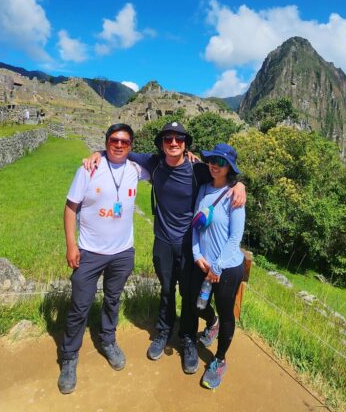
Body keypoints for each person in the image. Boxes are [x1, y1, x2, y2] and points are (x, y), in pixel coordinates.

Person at [84, 121, 246, 375]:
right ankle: (163, 332)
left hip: (190, 244)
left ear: (185, 144)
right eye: (168, 138)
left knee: (189, 295)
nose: (173, 143)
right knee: (167, 290)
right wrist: (98, 153)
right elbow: (121, 150)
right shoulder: (154, 162)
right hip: (163, 241)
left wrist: (240, 185)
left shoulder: (198, 169)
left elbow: (224, 177)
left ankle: (188, 338)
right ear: (161, 144)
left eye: (179, 139)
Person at [58, 123, 149, 395]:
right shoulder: (89, 169)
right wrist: (71, 245)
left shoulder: (136, 170)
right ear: (106, 142)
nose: (119, 145)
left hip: (122, 252)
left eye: (124, 142)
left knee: (113, 299)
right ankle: (69, 356)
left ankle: (108, 340)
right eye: (114, 141)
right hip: (89, 252)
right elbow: (70, 208)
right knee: (80, 306)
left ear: (131, 146)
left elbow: (168, 164)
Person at [191, 143, 246, 389]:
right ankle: (211, 323)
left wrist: (218, 266)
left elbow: (235, 237)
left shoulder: (235, 195)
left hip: (227, 268)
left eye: (221, 162)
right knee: (197, 304)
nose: (215, 165)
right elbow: (195, 224)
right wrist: (196, 254)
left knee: (226, 313)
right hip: (204, 265)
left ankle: (220, 360)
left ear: (229, 167)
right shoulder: (204, 189)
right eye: (212, 160)